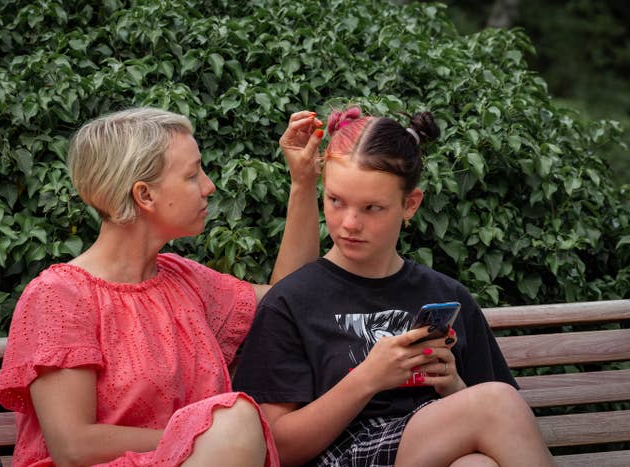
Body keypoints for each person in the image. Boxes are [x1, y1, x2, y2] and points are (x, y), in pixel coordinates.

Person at [0, 107, 325, 467]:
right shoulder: (60, 296)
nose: (209, 186)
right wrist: (212, 436)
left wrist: (303, 181)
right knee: (238, 418)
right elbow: (74, 446)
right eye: (192, 174)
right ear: (144, 195)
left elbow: (290, 294)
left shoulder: (184, 280)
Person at [232, 106, 556, 467]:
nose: (350, 223)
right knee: (494, 403)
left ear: (410, 205)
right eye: (336, 201)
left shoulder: (447, 295)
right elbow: (273, 447)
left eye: (372, 208)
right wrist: (368, 378)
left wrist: (453, 388)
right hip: (339, 455)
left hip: (424, 447)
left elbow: (501, 423)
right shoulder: (291, 301)